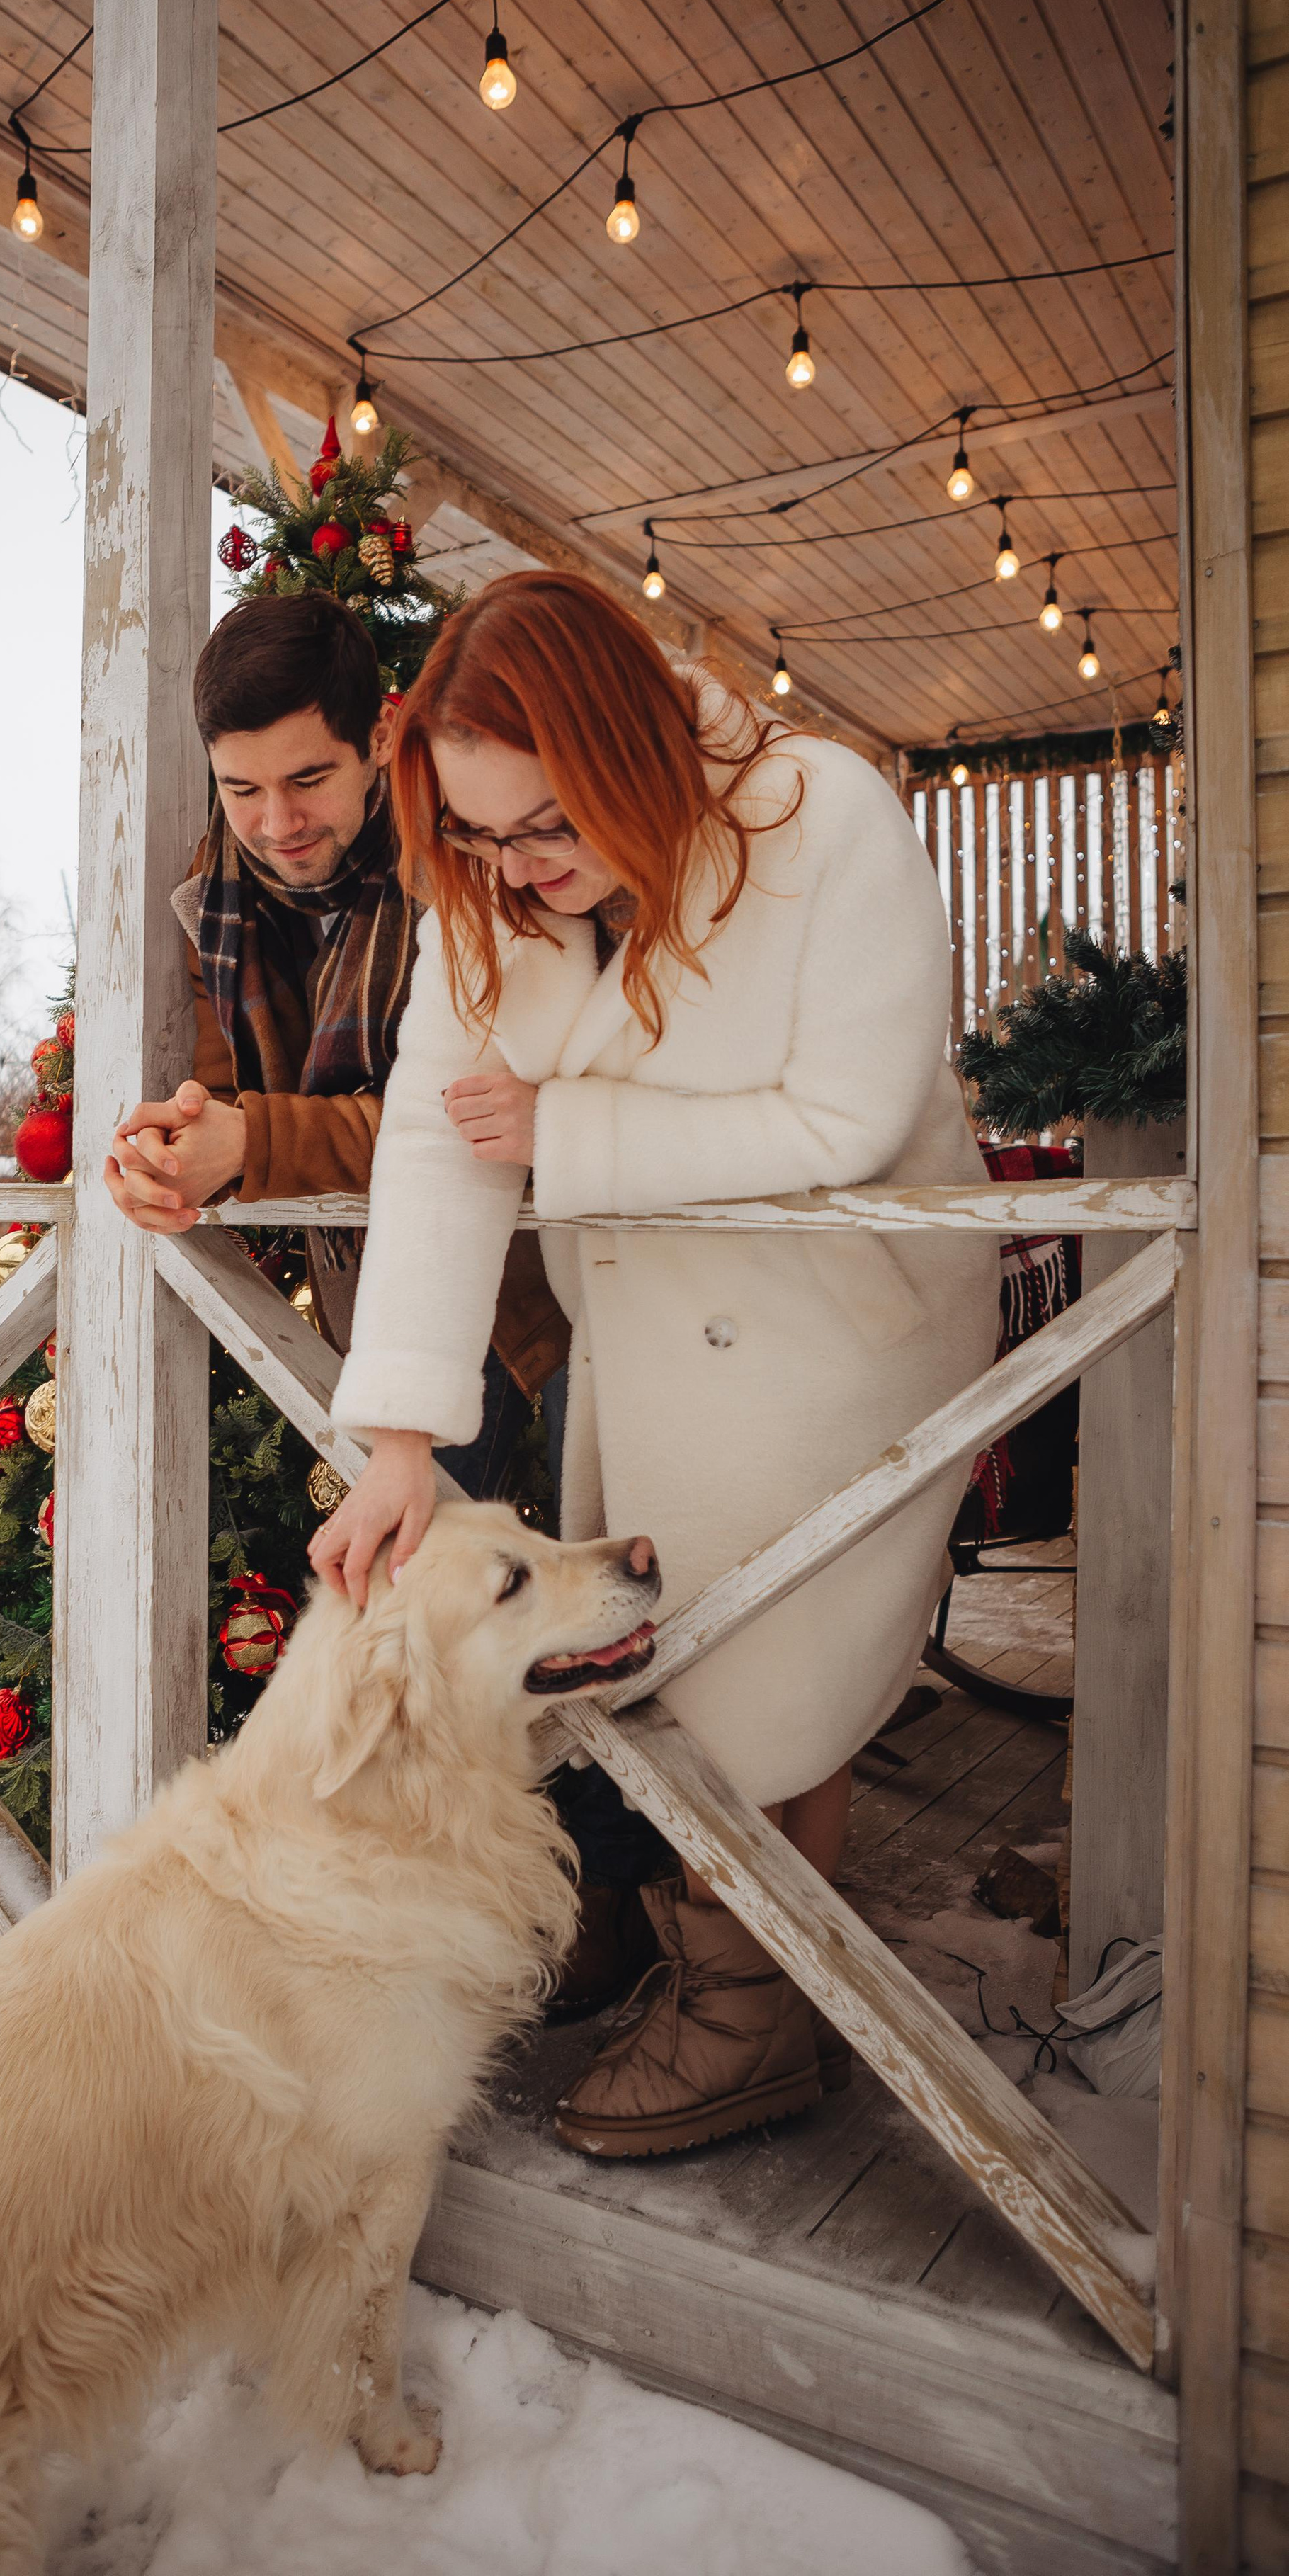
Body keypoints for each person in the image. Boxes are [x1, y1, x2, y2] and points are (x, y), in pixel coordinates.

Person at [310, 569, 999, 2159]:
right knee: (656, 1638)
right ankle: (690, 1956)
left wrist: (572, 1134)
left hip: (840, 1310)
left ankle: (755, 2012)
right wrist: (403, 1430)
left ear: (629, 749)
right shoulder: (486, 886)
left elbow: (848, 1115)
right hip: (649, 1313)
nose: (518, 872)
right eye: (478, 839)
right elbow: (436, 1137)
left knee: (770, 1659)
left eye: (545, 826)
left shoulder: (821, 817)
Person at [102, 589, 568, 1498]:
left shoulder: (472, 855)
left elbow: (464, 1114)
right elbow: (224, 1099)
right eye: (242, 789)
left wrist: (254, 1143)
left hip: (526, 1296)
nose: (277, 824)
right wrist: (175, 1150)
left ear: (383, 737)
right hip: (363, 1314)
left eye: (308, 779)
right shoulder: (222, 896)